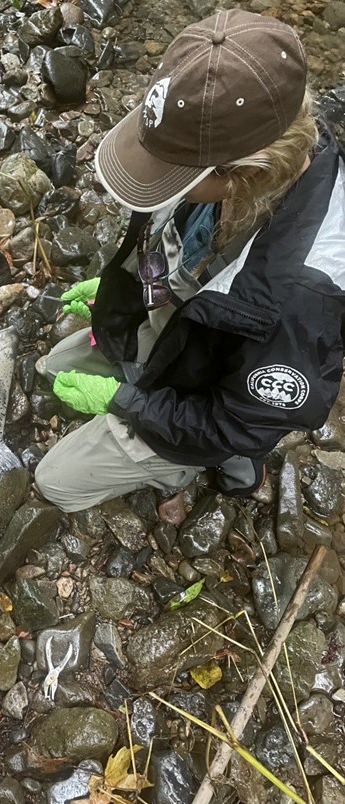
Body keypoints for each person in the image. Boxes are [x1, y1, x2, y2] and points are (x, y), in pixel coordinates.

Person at [35, 9, 345, 513]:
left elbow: (235, 423)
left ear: (244, 172)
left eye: (172, 173)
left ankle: (194, 468)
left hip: (214, 401)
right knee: (52, 369)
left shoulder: (303, 300)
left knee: (55, 483)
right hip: (191, 328)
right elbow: (179, 241)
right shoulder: (235, 140)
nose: (156, 179)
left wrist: (124, 402)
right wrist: (132, 287)